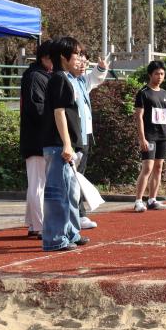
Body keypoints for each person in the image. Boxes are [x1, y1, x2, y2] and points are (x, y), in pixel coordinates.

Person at [40, 36, 89, 251]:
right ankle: (54, 239)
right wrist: (67, 144)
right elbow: (59, 112)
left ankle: (70, 233)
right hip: (58, 146)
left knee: (70, 193)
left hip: (66, 146)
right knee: (57, 195)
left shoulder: (68, 78)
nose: (79, 58)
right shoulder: (59, 79)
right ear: (63, 57)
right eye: (76, 54)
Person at [66, 50, 109, 230]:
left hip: (85, 134)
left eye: (86, 62)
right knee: (74, 177)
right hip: (73, 136)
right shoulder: (66, 80)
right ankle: (78, 214)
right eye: (79, 61)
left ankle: (77, 214)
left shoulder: (81, 81)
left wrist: (101, 68)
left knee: (79, 175)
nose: (83, 65)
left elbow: (94, 78)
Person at [19, 39, 53, 239]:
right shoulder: (35, 77)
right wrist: (55, 119)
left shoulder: (40, 75)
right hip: (36, 138)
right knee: (38, 184)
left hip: (38, 137)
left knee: (37, 183)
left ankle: (34, 224)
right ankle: (40, 226)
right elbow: (36, 108)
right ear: (45, 58)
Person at [134, 60, 166, 212]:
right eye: (157, 73)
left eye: (162, 74)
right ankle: (138, 201)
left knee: (158, 167)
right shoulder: (143, 93)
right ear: (150, 75)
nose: (160, 76)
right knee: (148, 167)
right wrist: (142, 138)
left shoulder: (164, 93)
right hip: (149, 136)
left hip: (162, 136)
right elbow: (139, 117)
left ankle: (152, 200)